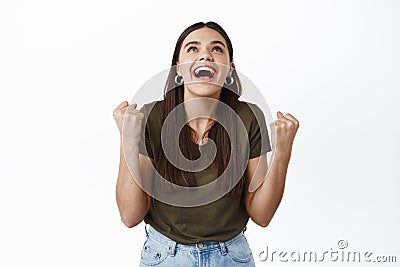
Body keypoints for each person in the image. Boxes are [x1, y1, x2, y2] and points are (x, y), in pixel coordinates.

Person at [113, 21, 299, 267]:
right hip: (164, 256)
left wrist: (283, 152)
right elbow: (130, 216)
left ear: (230, 70)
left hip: (231, 256)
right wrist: (127, 141)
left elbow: (262, 215)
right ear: (179, 68)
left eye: (217, 49)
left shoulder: (248, 118)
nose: (205, 55)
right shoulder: (152, 117)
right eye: (192, 49)